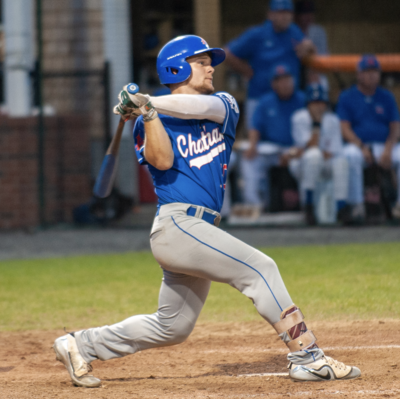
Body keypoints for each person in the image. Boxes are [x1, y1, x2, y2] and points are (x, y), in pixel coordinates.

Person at [52, 35, 360, 388]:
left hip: (201, 229)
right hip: (177, 225)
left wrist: (148, 101)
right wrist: (148, 114)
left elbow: (198, 109)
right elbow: (163, 160)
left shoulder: (223, 105)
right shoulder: (146, 122)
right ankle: (308, 357)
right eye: (201, 62)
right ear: (177, 67)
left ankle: (79, 344)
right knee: (261, 269)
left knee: (173, 325)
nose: (211, 67)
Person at [225, 0, 315, 129]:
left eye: (288, 12)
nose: (284, 16)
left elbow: (309, 51)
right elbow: (226, 53)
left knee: (288, 142)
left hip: (288, 100)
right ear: (270, 14)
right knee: (256, 140)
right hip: (260, 96)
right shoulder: (257, 34)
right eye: (280, 12)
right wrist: (246, 71)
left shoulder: (294, 32)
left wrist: (310, 46)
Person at [337, 55, 400, 220]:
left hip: (383, 146)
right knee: (351, 156)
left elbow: (395, 127)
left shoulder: (386, 96)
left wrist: (388, 149)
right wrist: (361, 147)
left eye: (375, 71)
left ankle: (398, 206)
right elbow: (344, 128)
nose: (372, 75)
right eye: (367, 71)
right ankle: (356, 206)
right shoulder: (347, 96)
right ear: (359, 74)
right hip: (358, 145)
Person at [241, 64, 305, 211]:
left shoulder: (302, 99)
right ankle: (254, 205)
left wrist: (294, 152)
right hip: (272, 149)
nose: (285, 83)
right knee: (249, 159)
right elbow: (255, 127)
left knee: (307, 161)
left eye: (287, 79)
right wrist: (252, 146)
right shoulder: (265, 102)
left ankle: (306, 204)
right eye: (280, 80)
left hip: (297, 150)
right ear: (273, 84)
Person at [290, 83, 350, 225]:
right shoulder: (299, 117)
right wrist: (316, 124)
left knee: (341, 161)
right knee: (314, 155)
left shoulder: (332, 119)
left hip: (323, 163)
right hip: (302, 164)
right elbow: (307, 148)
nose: (319, 106)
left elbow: (335, 152)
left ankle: (342, 208)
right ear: (308, 103)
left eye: (321, 102)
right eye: (315, 102)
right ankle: (308, 206)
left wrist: (317, 149)